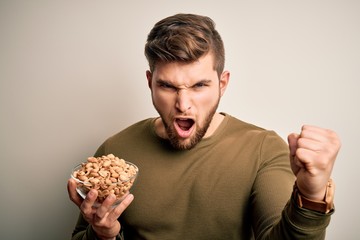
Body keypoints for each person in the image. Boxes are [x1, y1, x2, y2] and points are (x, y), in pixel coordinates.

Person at [67, 13, 341, 240]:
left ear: (222, 83)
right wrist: (103, 234)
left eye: (199, 85)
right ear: (150, 82)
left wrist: (312, 196)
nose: (183, 104)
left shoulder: (263, 150)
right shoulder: (116, 151)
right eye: (167, 86)